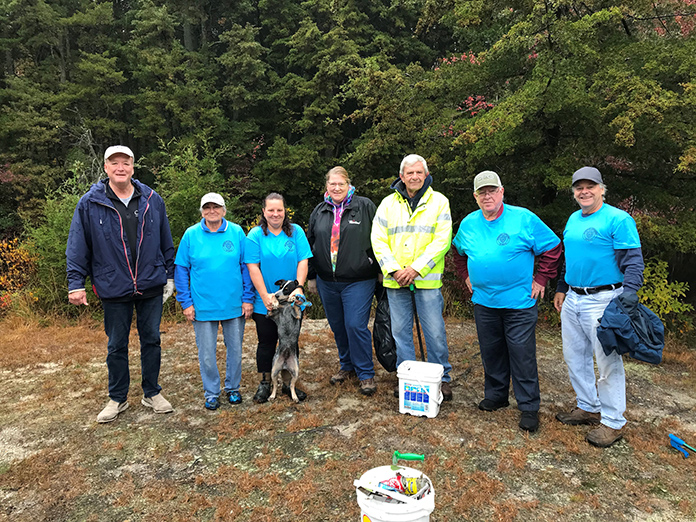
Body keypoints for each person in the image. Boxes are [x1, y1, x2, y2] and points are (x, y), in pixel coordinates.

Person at [66, 145, 175, 423]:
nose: (120, 168)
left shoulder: (152, 199)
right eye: (114, 163)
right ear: (105, 168)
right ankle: (118, 398)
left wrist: (170, 276)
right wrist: (75, 283)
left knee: (152, 339)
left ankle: (152, 392)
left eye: (125, 163)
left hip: (150, 283)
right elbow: (78, 246)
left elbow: (165, 241)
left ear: (133, 167)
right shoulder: (89, 203)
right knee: (116, 345)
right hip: (113, 286)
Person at [452, 171, 562, 432]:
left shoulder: (523, 218)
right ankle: (497, 395)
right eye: (482, 192)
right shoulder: (468, 223)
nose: (487, 196)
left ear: (502, 192)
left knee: (521, 354)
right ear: (475, 197)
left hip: (519, 302)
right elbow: (457, 252)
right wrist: (465, 275)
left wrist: (542, 279)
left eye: (492, 191)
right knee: (491, 351)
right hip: (484, 301)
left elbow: (553, 247)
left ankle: (529, 407)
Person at [554, 166, 644, 448]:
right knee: (574, 356)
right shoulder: (573, 219)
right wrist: (561, 287)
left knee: (607, 362)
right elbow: (570, 259)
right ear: (574, 193)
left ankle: (613, 421)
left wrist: (629, 296)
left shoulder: (618, 219)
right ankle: (588, 407)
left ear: (602, 189)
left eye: (590, 186)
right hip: (573, 297)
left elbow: (633, 260)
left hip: (604, 299)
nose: (585, 191)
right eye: (579, 187)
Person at [371, 154, 454, 400]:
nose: (415, 177)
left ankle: (442, 378)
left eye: (419, 173)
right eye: (410, 173)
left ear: (426, 175)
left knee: (435, 332)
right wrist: (394, 269)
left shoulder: (439, 202)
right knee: (400, 333)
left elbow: (442, 240)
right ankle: (407, 377)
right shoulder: (387, 204)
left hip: (426, 280)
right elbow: (377, 239)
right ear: (402, 176)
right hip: (395, 280)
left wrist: (416, 269)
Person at [174, 193, 254, 410]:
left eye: (216, 207)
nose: (212, 211)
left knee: (235, 350)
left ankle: (233, 388)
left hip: (234, 304)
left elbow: (247, 266)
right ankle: (211, 392)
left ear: (224, 210)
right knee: (207, 353)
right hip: (202, 305)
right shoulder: (191, 235)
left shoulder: (236, 232)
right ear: (201, 211)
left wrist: (248, 298)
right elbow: (181, 270)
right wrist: (186, 302)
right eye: (207, 207)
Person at [307, 167, 379, 396]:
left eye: (341, 184)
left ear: (349, 185)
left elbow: (379, 238)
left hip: (359, 279)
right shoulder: (319, 211)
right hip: (327, 280)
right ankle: (347, 365)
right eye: (332, 184)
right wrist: (311, 276)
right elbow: (311, 244)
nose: (336, 188)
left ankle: (366, 373)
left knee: (355, 325)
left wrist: (379, 270)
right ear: (326, 186)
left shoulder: (365, 206)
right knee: (338, 326)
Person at [245, 193, 313, 403]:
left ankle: (287, 384)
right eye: (271, 210)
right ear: (263, 212)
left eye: (280, 210)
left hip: (292, 301)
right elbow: (252, 267)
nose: (275, 214)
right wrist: (265, 296)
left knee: (291, 341)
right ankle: (265, 382)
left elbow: (303, 261)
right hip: (264, 300)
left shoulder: (296, 232)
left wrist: (299, 287)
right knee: (266, 341)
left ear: (285, 212)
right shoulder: (255, 235)